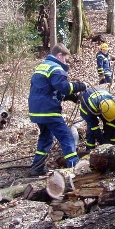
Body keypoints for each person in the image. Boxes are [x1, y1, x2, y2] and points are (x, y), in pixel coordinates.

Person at [28, 43, 87, 176]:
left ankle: (36, 167)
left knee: (46, 138)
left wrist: (72, 97)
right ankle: (75, 169)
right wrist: (80, 86)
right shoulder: (55, 67)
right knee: (67, 137)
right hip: (48, 109)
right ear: (59, 55)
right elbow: (63, 87)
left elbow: (52, 90)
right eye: (65, 59)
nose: (66, 62)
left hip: (36, 109)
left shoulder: (42, 66)